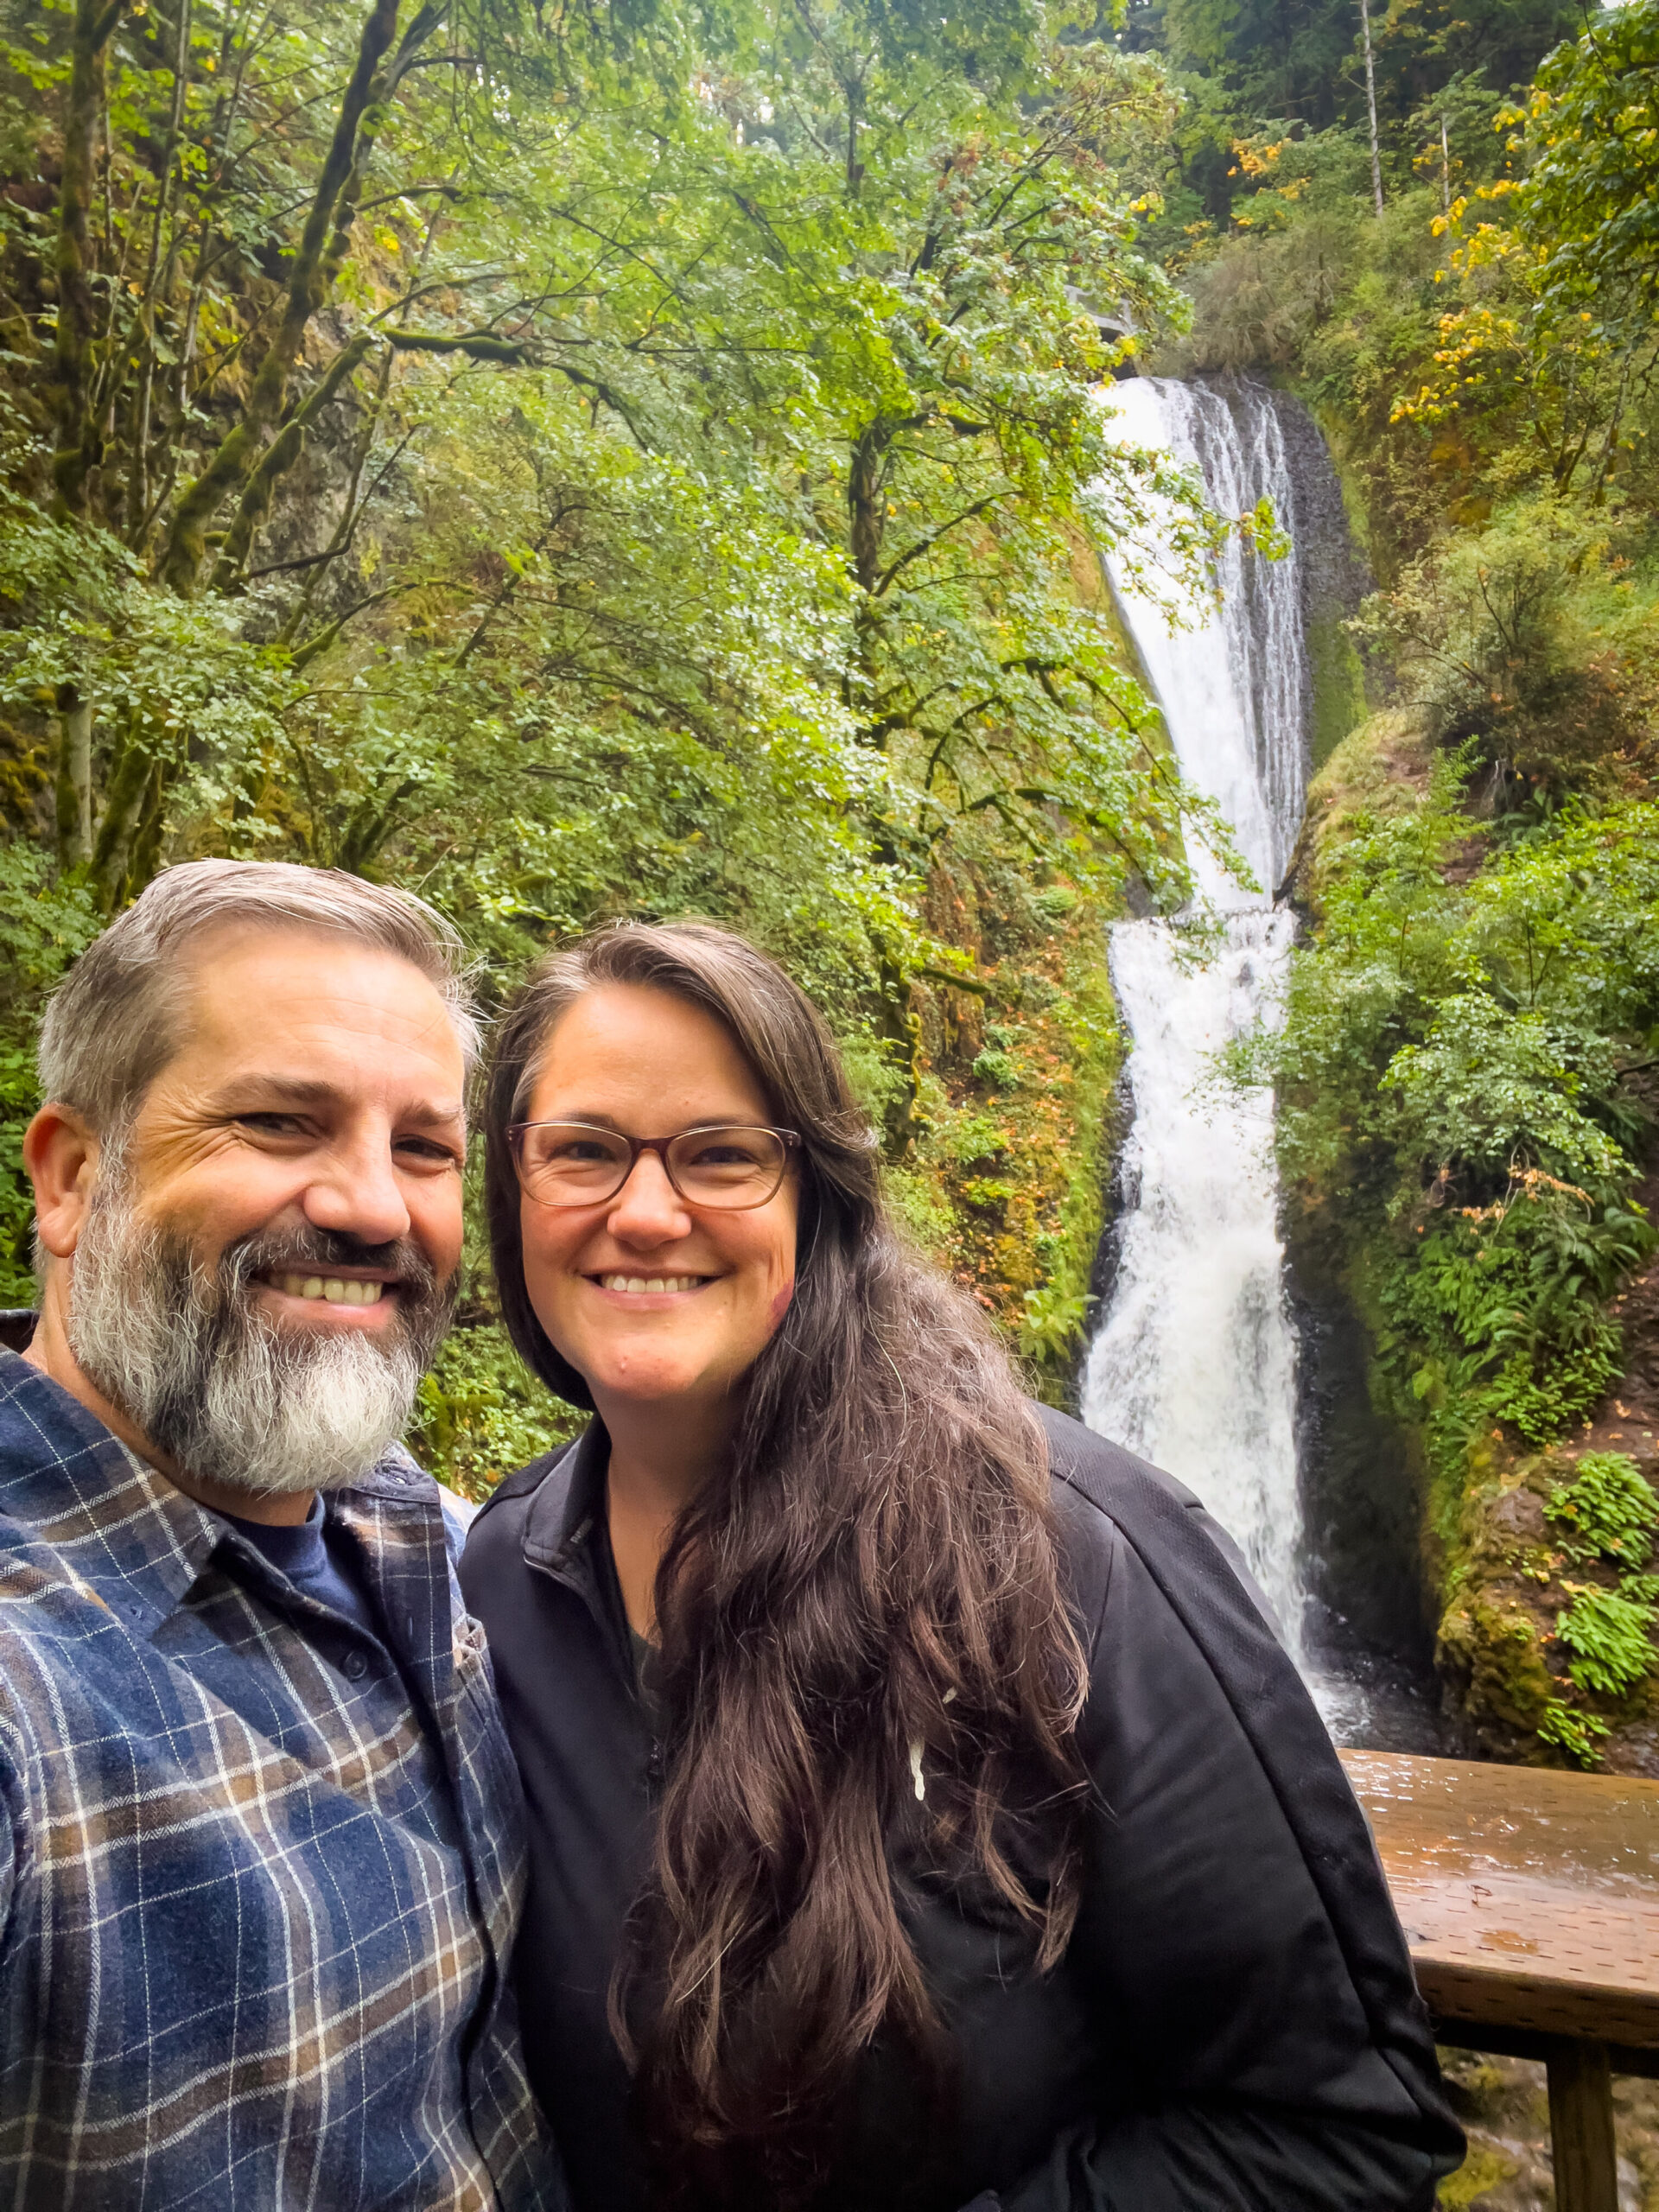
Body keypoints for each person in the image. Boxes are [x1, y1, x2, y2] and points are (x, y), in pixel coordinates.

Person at [459, 919, 1465, 2212]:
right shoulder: (502, 1582)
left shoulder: (1074, 1560)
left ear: (816, 1198)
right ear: (513, 1190)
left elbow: (1340, 2134)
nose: (645, 1212)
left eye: (719, 1155)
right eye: (585, 1151)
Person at [0, 861, 562, 2209]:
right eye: (275, 1122)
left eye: (422, 1148)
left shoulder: (407, 1521)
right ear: (72, 1176)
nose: (373, 1206)